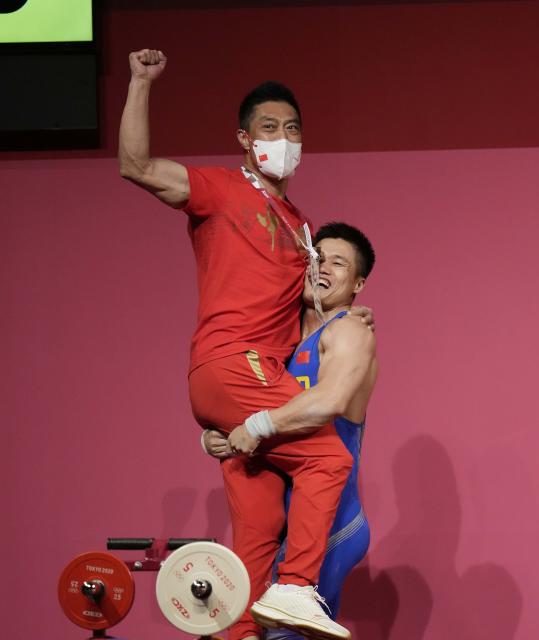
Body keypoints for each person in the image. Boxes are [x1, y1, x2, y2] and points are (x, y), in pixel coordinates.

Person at [119, 49, 373, 640]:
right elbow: (135, 165)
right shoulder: (220, 189)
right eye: (268, 128)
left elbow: (306, 311)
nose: (282, 139)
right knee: (329, 457)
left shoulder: (301, 226)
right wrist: (139, 82)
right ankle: (296, 589)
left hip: (243, 386)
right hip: (236, 363)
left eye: (292, 130)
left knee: (253, 548)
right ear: (243, 138)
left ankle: (252, 617)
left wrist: (347, 314)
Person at [204, 223, 376, 638]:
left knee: (284, 635)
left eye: (338, 263)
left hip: (331, 527)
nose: (323, 267)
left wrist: (256, 425)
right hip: (277, 523)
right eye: (316, 256)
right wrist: (220, 434)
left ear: (358, 284)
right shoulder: (276, 342)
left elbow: (328, 401)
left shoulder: (349, 331)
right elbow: (240, 405)